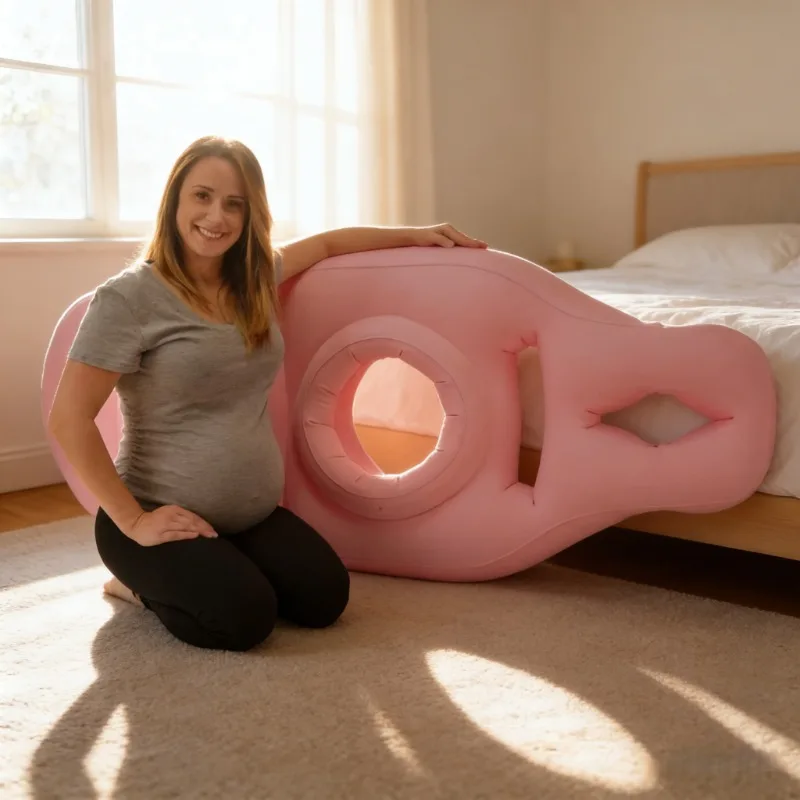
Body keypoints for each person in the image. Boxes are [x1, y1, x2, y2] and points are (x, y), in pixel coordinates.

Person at [48, 135, 488, 652]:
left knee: (324, 599)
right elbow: (68, 419)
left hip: (249, 517)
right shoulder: (127, 299)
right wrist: (135, 520)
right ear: (174, 201)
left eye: (235, 204)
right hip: (158, 518)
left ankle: (219, 565)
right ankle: (135, 586)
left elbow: (326, 245)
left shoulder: (253, 279)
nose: (217, 216)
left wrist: (416, 234)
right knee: (244, 621)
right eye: (202, 196)